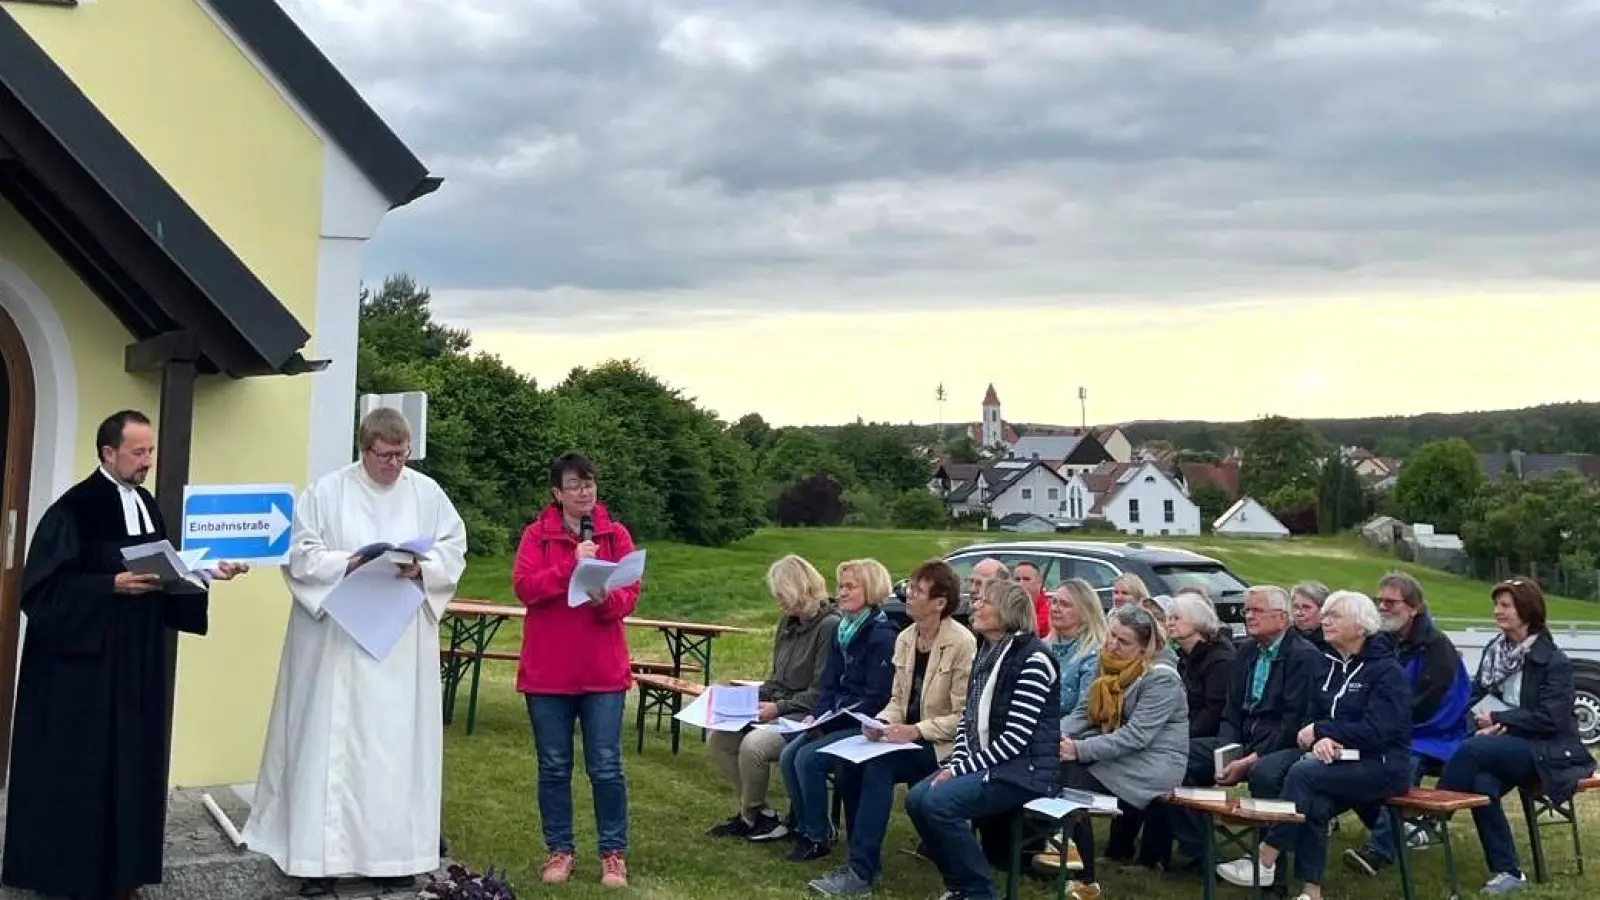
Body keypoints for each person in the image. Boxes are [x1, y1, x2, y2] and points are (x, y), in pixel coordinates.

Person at [1, 410, 248, 900]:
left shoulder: (147, 505)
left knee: (133, 766)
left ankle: (122, 875)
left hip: (136, 665)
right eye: (138, 452)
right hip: (84, 676)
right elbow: (41, 592)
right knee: (86, 774)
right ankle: (72, 879)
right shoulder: (74, 509)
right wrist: (108, 585)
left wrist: (205, 572)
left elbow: (165, 566)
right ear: (108, 453)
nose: (147, 462)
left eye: (150, 451)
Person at [241, 407, 468, 897]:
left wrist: (422, 568)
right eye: (384, 455)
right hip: (337, 638)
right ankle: (315, 862)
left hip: (400, 639)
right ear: (364, 449)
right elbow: (299, 553)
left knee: (394, 749)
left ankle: (393, 858)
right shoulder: (328, 492)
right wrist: (349, 562)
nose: (393, 465)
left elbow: (453, 548)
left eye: (401, 455)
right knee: (329, 744)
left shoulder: (426, 493)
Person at [1216, 590, 1413, 900]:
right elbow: (1311, 718)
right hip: (1338, 759)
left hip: (1383, 766)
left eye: (1335, 616)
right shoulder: (1328, 664)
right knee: (1315, 803)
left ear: (1360, 627)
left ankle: (1266, 856)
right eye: (1326, 615)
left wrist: (1324, 731)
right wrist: (1322, 739)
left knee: (1302, 774)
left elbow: (1378, 730)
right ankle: (1312, 892)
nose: (1325, 620)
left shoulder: (1387, 672)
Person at [807, 559, 976, 895]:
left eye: (916, 591)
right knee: (848, 762)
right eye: (909, 588)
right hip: (900, 737)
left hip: (940, 744)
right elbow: (897, 700)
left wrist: (915, 731)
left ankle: (861, 871)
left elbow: (962, 716)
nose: (907, 596)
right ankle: (860, 858)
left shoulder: (962, 643)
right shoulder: (907, 637)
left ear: (940, 603)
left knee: (877, 766)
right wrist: (881, 722)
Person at [512, 452, 641, 887]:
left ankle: (613, 853)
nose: (584, 492)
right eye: (574, 485)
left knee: (605, 765)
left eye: (589, 484)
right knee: (553, 766)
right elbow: (525, 587)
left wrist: (606, 598)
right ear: (557, 493)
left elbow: (629, 594)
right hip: (548, 672)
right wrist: (571, 566)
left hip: (602, 671)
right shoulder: (537, 536)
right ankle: (560, 850)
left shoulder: (615, 534)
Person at [1437, 577, 1596, 896]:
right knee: (1482, 781)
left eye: (1505, 606)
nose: (1498, 611)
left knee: (1472, 751)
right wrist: (1477, 721)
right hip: (1502, 742)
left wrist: (1500, 719)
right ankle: (1508, 872)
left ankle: (1429, 818)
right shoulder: (1494, 651)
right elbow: (1475, 695)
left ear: (1527, 611)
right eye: (1496, 604)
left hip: (1545, 749)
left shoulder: (1553, 662)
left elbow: (1551, 719)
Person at [906, 579, 1062, 900]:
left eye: (984, 602)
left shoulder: (1033, 660)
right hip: (990, 762)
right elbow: (969, 719)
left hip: (1023, 770)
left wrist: (960, 770)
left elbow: (1016, 739)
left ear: (1007, 611)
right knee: (916, 800)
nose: (974, 607)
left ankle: (978, 891)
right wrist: (958, 763)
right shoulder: (988, 652)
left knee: (937, 803)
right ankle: (959, 884)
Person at [1166, 585, 1321, 872]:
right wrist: (1226, 752)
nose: (1248, 616)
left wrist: (1251, 759)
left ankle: (1271, 869)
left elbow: (1292, 722)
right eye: (1246, 610)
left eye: (1256, 610)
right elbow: (1231, 709)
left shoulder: (1304, 656)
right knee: (1174, 758)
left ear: (1281, 617)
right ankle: (1202, 853)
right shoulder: (1246, 651)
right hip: (1242, 739)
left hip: (1282, 743)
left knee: (1265, 772)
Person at [1055, 605, 1190, 900]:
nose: (1113, 645)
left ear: (1144, 648)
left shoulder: (1162, 678)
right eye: (1111, 636)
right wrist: (1051, 737)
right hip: (1118, 753)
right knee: (1049, 765)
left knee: (1070, 776)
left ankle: (1085, 878)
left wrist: (1078, 749)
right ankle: (1045, 852)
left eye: (1123, 641)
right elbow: (1084, 713)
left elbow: (1137, 736)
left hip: (1152, 764)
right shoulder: (1107, 664)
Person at [1344, 571, 1472, 876]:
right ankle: (1405, 829)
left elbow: (1434, 706)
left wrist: (1386, 727)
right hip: (1393, 729)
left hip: (1435, 735)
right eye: (1379, 602)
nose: (1383, 608)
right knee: (1353, 763)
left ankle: (1380, 850)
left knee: (1402, 765)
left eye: (1391, 602)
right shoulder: (1382, 643)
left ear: (1414, 607)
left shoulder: (1438, 649)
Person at [706, 555, 839, 842]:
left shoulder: (829, 626)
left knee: (753, 746)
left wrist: (778, 708)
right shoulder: (788, 622)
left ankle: (751, 815)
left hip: (805, 715)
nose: (777, 599)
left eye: (781, 592)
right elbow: (777, 678)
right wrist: (745, 697)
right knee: (720, 739)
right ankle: (759, 814)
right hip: (780, 707)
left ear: (799, 588)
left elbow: (820, 691)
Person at [778, 558, 898, 862]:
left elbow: (875, 697)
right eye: (840, 586)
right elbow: (828, 684)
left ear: (870, 590)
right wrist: (816, 716)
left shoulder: (882, 636)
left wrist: (827, 723)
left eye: (850, 587)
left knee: (808, 759)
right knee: (789, 754)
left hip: (862, 723)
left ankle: (819, 836)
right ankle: (806, 827)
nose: (841, 593)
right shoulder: (841, 629)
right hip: (833, 718)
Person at [1130, 590, 1237, 873]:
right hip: (1189, 734)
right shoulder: (1184, 657)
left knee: (1169, 765)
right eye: (1169, 617)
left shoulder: (1220, 660)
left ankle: (1198, 852)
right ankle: (1154, 855)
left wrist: (1173, 739)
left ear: (1198, 622)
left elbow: (1214, 713)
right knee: (1156, 763)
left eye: (1177, 618)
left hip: (1221, 738)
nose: (1170, 622)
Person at [1012, 560, 1051, 636]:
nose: (1021, 583)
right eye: (1017, 579)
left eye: (1026, 579)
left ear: (1039, 583)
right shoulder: (1006, 607)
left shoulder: (1048, 611)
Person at [1291, 581, 1331, 652]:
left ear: (1323, 610)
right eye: (1296, 607)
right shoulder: (1283, 638)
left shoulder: (1334, 641)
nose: (1299, 613)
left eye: (1306, 607)